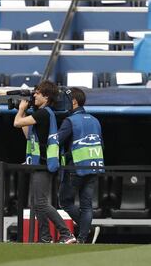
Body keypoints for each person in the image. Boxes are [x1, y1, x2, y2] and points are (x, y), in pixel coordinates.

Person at [13, 80, 76, 244]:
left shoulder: (44, 113)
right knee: (36, 203)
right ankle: (46, 238)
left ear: (46, 96)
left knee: (40, 202)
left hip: (42, 163)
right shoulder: (42, 114)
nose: (34, 95)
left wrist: (20, 110)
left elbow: (16, 123)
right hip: (39, 163)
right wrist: (24, 113)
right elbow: (27, 134)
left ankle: (66, 233)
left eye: (37, 92)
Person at [58, 87, 104, 244]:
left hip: (75, 168)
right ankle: (83, 238)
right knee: (87, 205)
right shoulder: (95, 120)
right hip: (93, 166)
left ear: (74, 101)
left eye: (65, 99)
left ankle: (86, 229)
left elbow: (56, 142)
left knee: (64, 201)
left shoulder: (70, 121)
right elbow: (101, 145)